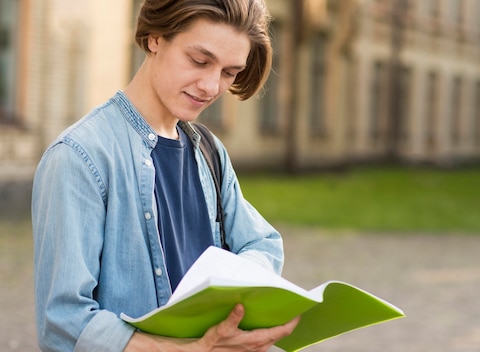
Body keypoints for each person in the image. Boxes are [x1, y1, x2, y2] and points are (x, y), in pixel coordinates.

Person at [31, 0, 299, 351]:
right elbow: (64, 323)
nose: (210, 86)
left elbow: (261, 244)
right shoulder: (79, 157)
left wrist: (235, 291)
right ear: (155, 37)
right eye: (199, 61)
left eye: (229, 72)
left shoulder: (209, 150)